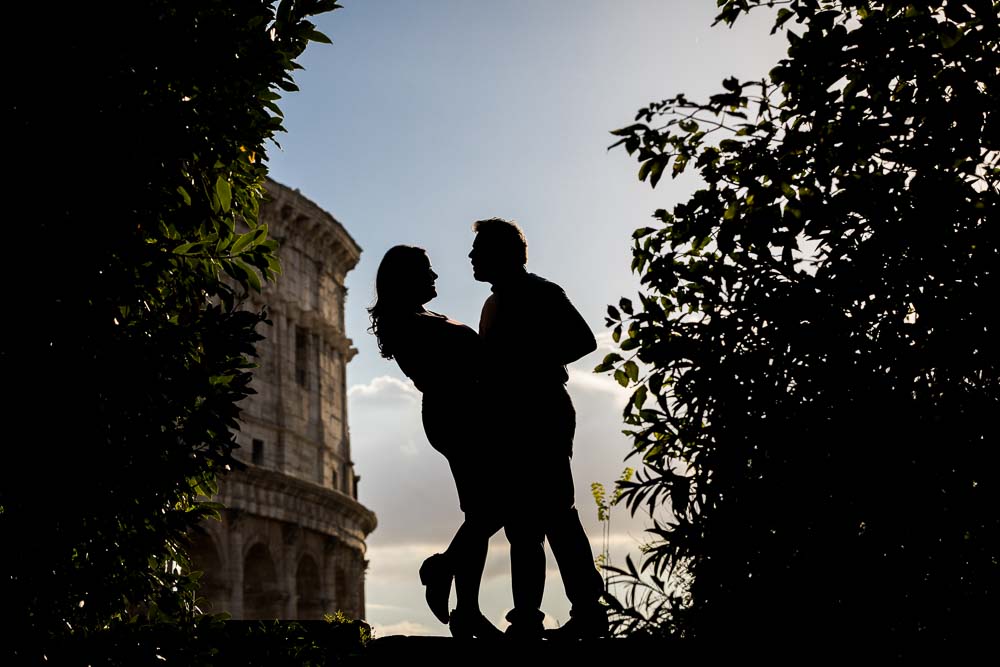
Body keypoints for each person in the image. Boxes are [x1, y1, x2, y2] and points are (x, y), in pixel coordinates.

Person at [469, 217, 609, 639]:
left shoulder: (541, 292)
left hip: (542, 411)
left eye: (479, 250)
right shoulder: (494, 304)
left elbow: (584, 340)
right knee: (520, 522)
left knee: (556, 514)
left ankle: (587, 610)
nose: (471, 257)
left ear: (503, 254)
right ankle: (527, 616)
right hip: (509, 419)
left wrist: (527, 361)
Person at [367, 245, 504, 639]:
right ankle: (442, 570)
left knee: (479, 512)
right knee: (492, 509)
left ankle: (467, 610)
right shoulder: (407, 323)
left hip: (464, 413)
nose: (435, 277)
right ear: (405, 279)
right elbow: (446, 371)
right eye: (426, 271)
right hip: (458, 415)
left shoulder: (419, 319)